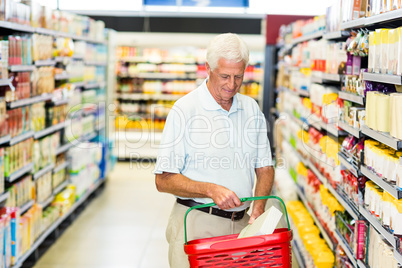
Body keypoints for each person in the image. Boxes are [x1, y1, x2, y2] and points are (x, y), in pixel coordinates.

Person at [154, 33, 274, 267]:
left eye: (238, 76)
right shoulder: (185, 110)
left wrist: (258, 207)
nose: (232, 85)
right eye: (225, 76)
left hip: (242, 226)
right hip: (197, 224)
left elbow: (265, 166)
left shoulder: (251, 109)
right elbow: (163, 180)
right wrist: (210, 190)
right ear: (208, 68)